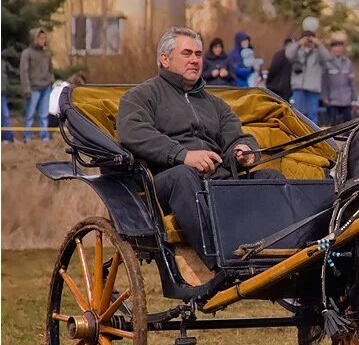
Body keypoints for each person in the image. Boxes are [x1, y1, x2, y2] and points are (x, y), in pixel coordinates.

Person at [117, 27, 283, 269]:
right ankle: (219, 264)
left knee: (272, 178)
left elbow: (236, 137)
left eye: (198, 54)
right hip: (166, 183)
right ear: (165, 59)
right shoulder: (141, 96)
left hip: (218, 182)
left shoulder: (216, 104)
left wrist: (243, 151)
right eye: (186, 53)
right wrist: (183, 156)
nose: (195, 60)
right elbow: (133, 132)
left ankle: (279, 258)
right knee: (183, 176)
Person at [285, 17, 331, 124]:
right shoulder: (297, 50)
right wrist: (298, 44)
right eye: (306, 37)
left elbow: (327, 58)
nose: (309, 40)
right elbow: (288, 54)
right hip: (298, 87)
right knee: (296, 114)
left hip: (313, 87)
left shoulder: (318, 52)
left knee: (312, 115)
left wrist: (319, 44)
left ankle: (313, 133)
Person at [20, 27, 54, 142]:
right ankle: (27, 136)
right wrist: (26, 89)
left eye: (44, 38)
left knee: (43, 114)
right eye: (41, 38)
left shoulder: (47, 53)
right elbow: (24, 72)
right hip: (33, 88)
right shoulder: (27, 53)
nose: (43, 40)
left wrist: (51, 80)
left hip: (46, 87)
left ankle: (44, 136)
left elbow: (50, 69)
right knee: (29, 114)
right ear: (34, 39)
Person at [321, 37, 357, 126]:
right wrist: (324, 97)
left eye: (340, 47)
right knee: (333, 125)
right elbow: (323, 82)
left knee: (348, 124)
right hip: (332, 100)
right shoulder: (327, 62)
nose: (338, 49)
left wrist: (354, 98)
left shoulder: (347, 62)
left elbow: (352, 81)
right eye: (335, 47)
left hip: (346, 100)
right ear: (331, 48)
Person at [266, 36, 296, 100]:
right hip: (284, 88)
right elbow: (273, 69)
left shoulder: (279, 54)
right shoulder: (281, 55)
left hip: (276, 87)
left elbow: (272, 70)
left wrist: (268, 82)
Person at [2, 53, 13, 143]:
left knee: (5, 115)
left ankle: (8, 137)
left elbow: (11, 71)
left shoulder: (3, 61)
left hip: (2, 92)